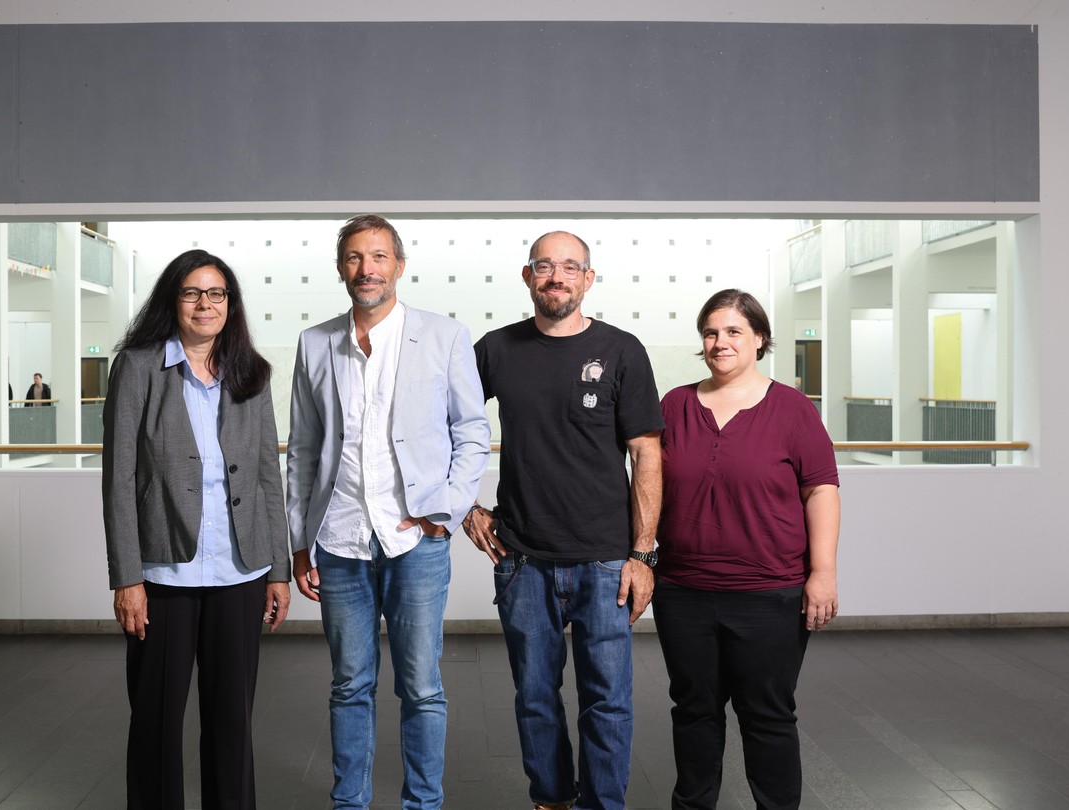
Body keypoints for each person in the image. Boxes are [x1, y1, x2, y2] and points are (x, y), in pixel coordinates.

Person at [286, 214, 490, 810]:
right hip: (340, 539)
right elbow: (301, 449)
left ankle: (422, 804)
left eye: (378, 257)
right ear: (341, 268)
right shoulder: (315, 342)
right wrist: (300, 541)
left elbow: (473, 433)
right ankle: (349, 803)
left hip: (417, 543)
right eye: (354, 257)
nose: (366, 269)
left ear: (399, 266)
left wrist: (446, 511)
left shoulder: (446, 336)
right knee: (350, 686)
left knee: (422, 688)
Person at [463, 231, 663, 810]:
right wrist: (466, 508)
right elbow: (442, 428)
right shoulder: (496, 350)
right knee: (534, 697)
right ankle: (550, 800)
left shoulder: (623, 350)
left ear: (589, 279)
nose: (557, 276)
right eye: (545, 266)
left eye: (570, 267)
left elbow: (647, 452)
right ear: (527, 277)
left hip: (606, 560)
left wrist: (644, 553)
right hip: (523, 560)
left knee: (609, 700)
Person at [102, 248, 291, 809]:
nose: (205, 304)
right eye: (192, 293)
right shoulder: (137, 368)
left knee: (232, 724)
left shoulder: (250, 371)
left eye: (217, 294)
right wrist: (126, 577)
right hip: (163, 573)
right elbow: (118, 480)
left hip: (240, 570)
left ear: (230, 305)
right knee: (156, 722)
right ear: (173, 300)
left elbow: (265, 476)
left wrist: (277, 570)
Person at [653, 289, 840, 810]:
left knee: (767, 715)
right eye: (711, 332)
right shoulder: (675, 405)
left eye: (734, 331)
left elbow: (821, 489)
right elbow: (648, 487)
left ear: (759, 339)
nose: (720, 342)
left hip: (769, 595)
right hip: (684, 590)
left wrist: (822, 573)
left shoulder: (793, 408)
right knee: (693, 711)